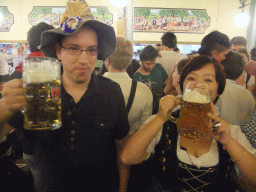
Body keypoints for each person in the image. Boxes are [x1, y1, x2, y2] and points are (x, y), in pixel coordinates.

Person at [0, 1, 129, 191]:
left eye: (91, 50)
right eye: (73, 48)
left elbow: (121, 147)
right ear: (58, 51)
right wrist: (4, 107)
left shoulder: (112, 92)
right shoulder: (37, 90)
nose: (84, 59)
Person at [120, 56, 256, 192]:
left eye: (208, 80)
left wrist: (228, 141)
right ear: (182, 85)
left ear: (218, 89)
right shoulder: (161, 123)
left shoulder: (230, 132)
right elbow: (127, 158)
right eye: (191, 78)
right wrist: (160, 118)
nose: (198, 85)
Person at [103, 36, 153, 192]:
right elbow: (143, 128)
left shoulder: (93, 87)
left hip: (98, 154)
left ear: (107, 60)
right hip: (128, 154)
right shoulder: (144, 91)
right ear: (131, 61)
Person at [217, 50, 255, 126]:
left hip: (218, 134)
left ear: (220, 67)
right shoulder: (248, 95)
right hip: (241, 136)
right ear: (241, 73)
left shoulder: (216, 91)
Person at [133, 45, 168, 114]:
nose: (151, 66)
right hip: (145, 111)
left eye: (153, 63)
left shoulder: (158, 67)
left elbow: (167, 84)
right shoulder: (136, 76)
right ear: (141, 61)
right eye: (148, 64)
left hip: (160, 108)